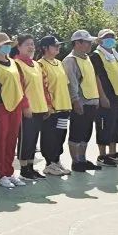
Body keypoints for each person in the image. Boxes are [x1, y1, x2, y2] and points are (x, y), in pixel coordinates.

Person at [0, 32, 29, 188]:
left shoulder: (14, 63)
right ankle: (1, 175)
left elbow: (20, 84)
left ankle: (10, 173)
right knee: (0, 141)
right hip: (0, 107)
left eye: (9, 44)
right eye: (4, 45)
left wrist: (24, 104)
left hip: (15, 106)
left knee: (11, 141)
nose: (8, 47)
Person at [91, 28, 118, 167]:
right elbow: (97, 77)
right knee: (104, 126)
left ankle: (112, 154)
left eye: (112, 37)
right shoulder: (96, 56)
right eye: (107, 37)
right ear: (99, 40)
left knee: (116, 126)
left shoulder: (115, 54)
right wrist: (102, 96)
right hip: (108, 97)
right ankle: (102, 156)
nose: (111, 39)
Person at [14, 35, 53, 180]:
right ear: (19, 47)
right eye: (27, 44)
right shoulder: (16, 64)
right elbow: (19, 88)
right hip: (27, 109)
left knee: (33, 139)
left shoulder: (36, 65)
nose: (31, 47)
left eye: (32, 44)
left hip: (40, 107)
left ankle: (31, 166)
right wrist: (25, 106)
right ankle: (24, 169)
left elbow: (44, 86)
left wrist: (48, 104)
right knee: (26, 139)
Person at [63, 30, 102, 173]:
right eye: (87, 42)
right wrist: (75, 100)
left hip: (91, 101)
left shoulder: (87, 58)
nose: (90, 44)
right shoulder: (70, 60)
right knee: (76, 133)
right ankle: (76, 162)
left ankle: (83, 159)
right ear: (77, 43)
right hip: (80, 103)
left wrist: (96, 99)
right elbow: (71, 83)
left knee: (86, 133)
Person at [37, 36, 72, 176]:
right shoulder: (40, 64)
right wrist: (47, 106)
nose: (58, 47)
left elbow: (65, 84)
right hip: (51, 109)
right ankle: (49, 164)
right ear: (45, 48)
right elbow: (42, 87)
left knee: (60, 135)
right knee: (49, 136)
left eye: (58, 45)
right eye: (54, 45)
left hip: (64, 107)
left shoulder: (59, 63)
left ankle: (56, 160)